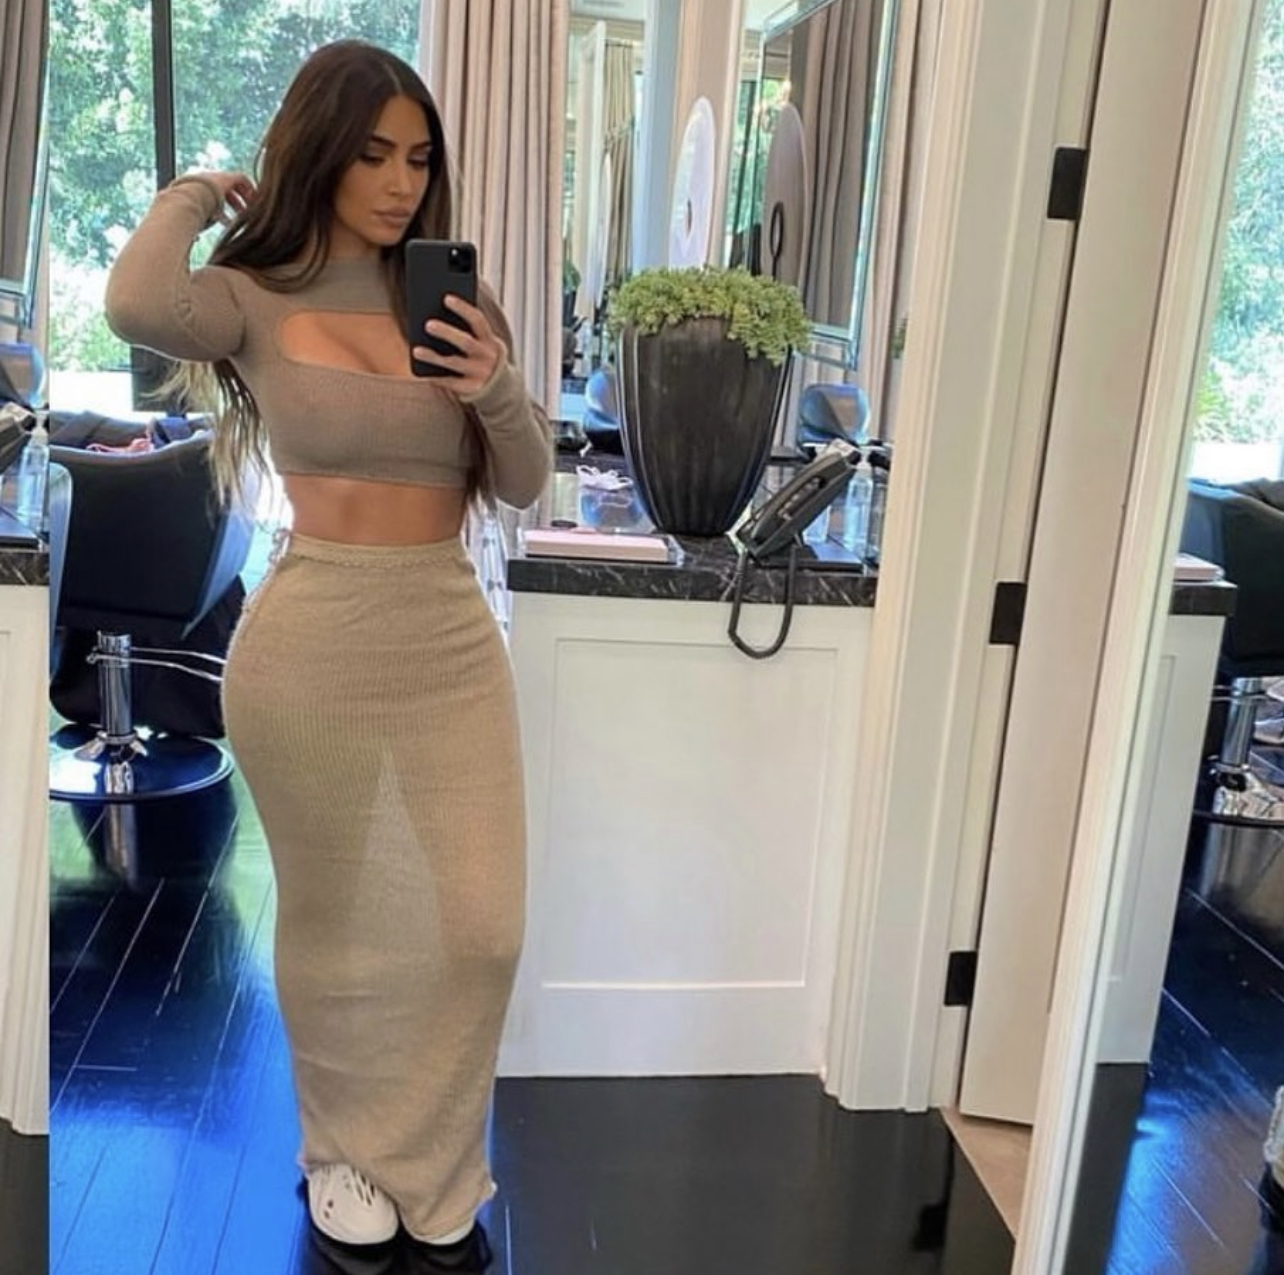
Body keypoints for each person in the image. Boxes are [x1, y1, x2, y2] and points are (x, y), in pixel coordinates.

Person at [105, 39, 552, 1271]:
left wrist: (495, 384)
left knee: (481, 926)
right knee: (338, 921)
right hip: (308, 641)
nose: (402, 182)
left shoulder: (457, 304)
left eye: (418, 158)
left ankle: (438, 1164)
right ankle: (340, 1154)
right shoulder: (253, 295)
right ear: (320, 154)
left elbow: (523, 480)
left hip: (448, 633)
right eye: (372, 155)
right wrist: (201, 193)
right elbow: (135, 303)